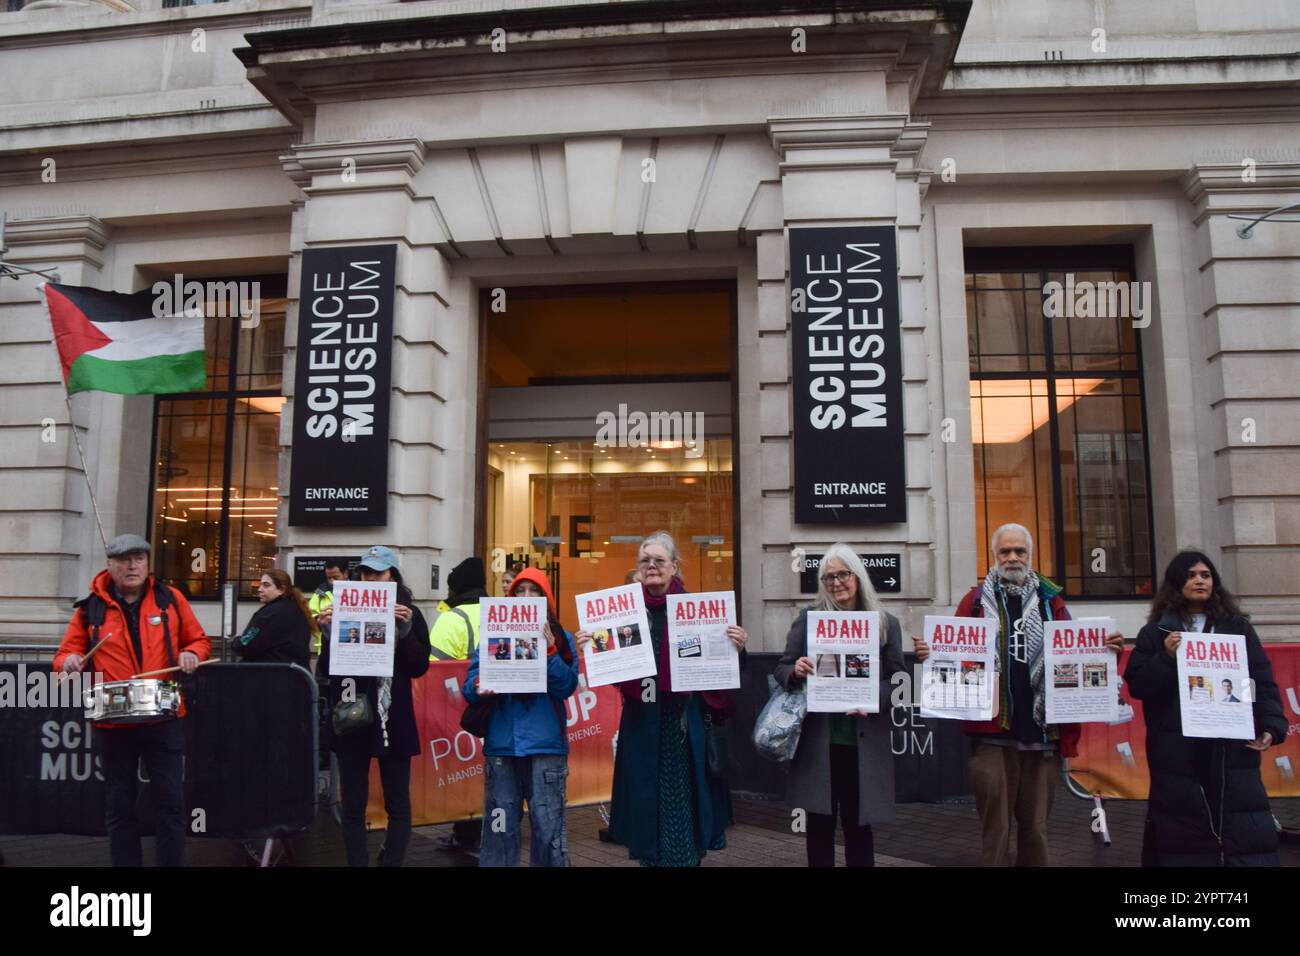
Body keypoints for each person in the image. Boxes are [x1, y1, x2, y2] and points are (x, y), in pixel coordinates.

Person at [913, 522, 1123, 866]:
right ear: (994, 557)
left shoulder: (1050, 600)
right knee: (995, 833)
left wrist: (1105, 648)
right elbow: (953, 649)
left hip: (1042, 736)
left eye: (1019, 551)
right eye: (1005, 551)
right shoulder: (976, 600)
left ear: (1030, 555)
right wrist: (931, 654)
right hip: (992, 737)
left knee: (1036, 832)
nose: (1013, 558)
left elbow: (1074, 650)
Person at [581, 531, 747, 866]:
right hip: (642, 723)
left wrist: (736, 647)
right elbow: (614, 672)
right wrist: (592, 644)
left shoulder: (695, 609)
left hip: (684, 725)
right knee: (645, 805)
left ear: (674, 566)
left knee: (684, 804)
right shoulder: (622, 613)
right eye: (645, 561)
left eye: (659, 560)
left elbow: (721, 673)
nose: (652, 566)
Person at [52, 533, 209, 867]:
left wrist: (191, 654)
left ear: (147, 563)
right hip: (113, 720)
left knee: (170, 804)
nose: (132, 565)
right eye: (124, 560)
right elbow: (66, 654)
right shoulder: (90, 609)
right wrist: (68, 661)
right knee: (120, 807)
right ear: (110, 565)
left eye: (139, 558)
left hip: (163, 717)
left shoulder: (171, 599)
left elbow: (198, 640)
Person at [1124, 550, 1288, 866]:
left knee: (1240, 824)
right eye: (1191, 575)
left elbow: (1260, 681)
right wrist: (1166, 659)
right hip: (1178, 750)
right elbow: (1140, 686)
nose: (1200, 580)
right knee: (1183, 832)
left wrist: (1270, 725)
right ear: (1176, 583)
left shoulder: (1238, 628)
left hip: (1231, 747)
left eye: (1206, 575)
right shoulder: (1156, 632)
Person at [773, 544, 906, 868]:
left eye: (842, 574)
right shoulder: (809, 620)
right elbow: (781, 668)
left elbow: (898, 679)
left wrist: (873, 700)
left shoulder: (885, 623)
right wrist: (795, 670)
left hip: (863, 743)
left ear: (857, 576)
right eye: (828, 577)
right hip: (819, 742)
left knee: (859, 828)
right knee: (819, 828)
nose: (836, 583)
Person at [315, 546, 431, 867]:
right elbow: (327, 669)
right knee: (352, 804)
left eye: (378, 572)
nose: (370, 579)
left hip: (393, 718)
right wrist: (327, 634)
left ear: (392, 575)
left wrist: (405, 633)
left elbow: (419, 666)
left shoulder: (409, 612)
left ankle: (391, 861)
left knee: (398, 803)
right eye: (366, 572)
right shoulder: (342, 609)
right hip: (352, 716)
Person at [464, 567, 580, 866]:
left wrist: (551, 651)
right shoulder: (493, 633)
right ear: (510, 595)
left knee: (547, 827)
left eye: (534, 591)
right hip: (502, 745)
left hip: (545, 747)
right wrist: (480, 687)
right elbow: (470, 685)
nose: (526, 597)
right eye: (520, 590)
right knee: (499, 826)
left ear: (546, 598)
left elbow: (567, 686)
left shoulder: (561, 637)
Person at [428, 556, 487, 850]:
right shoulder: (498, 613)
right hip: (497, 710)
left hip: (460, 712)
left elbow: (431, 670)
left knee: (464, 774)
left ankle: (465, 833)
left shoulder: (451, 620)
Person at [236, 569, 312, 667]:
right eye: (260, 585)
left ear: (281, 589)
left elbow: (246, 643)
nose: (260, 589)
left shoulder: (269, 613)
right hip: (295, 674)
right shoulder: (297, 608)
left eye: (266, 585)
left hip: (270, 674)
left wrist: (235, 642)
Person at [307, 560, 347, 658]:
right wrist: (320, 620)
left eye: (336, 577)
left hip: (353, 651)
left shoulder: (360, 589)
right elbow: (309, 619)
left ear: (345, 574)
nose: (332, 581)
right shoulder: (319, 593)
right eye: (329, 577)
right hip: (327, 650)